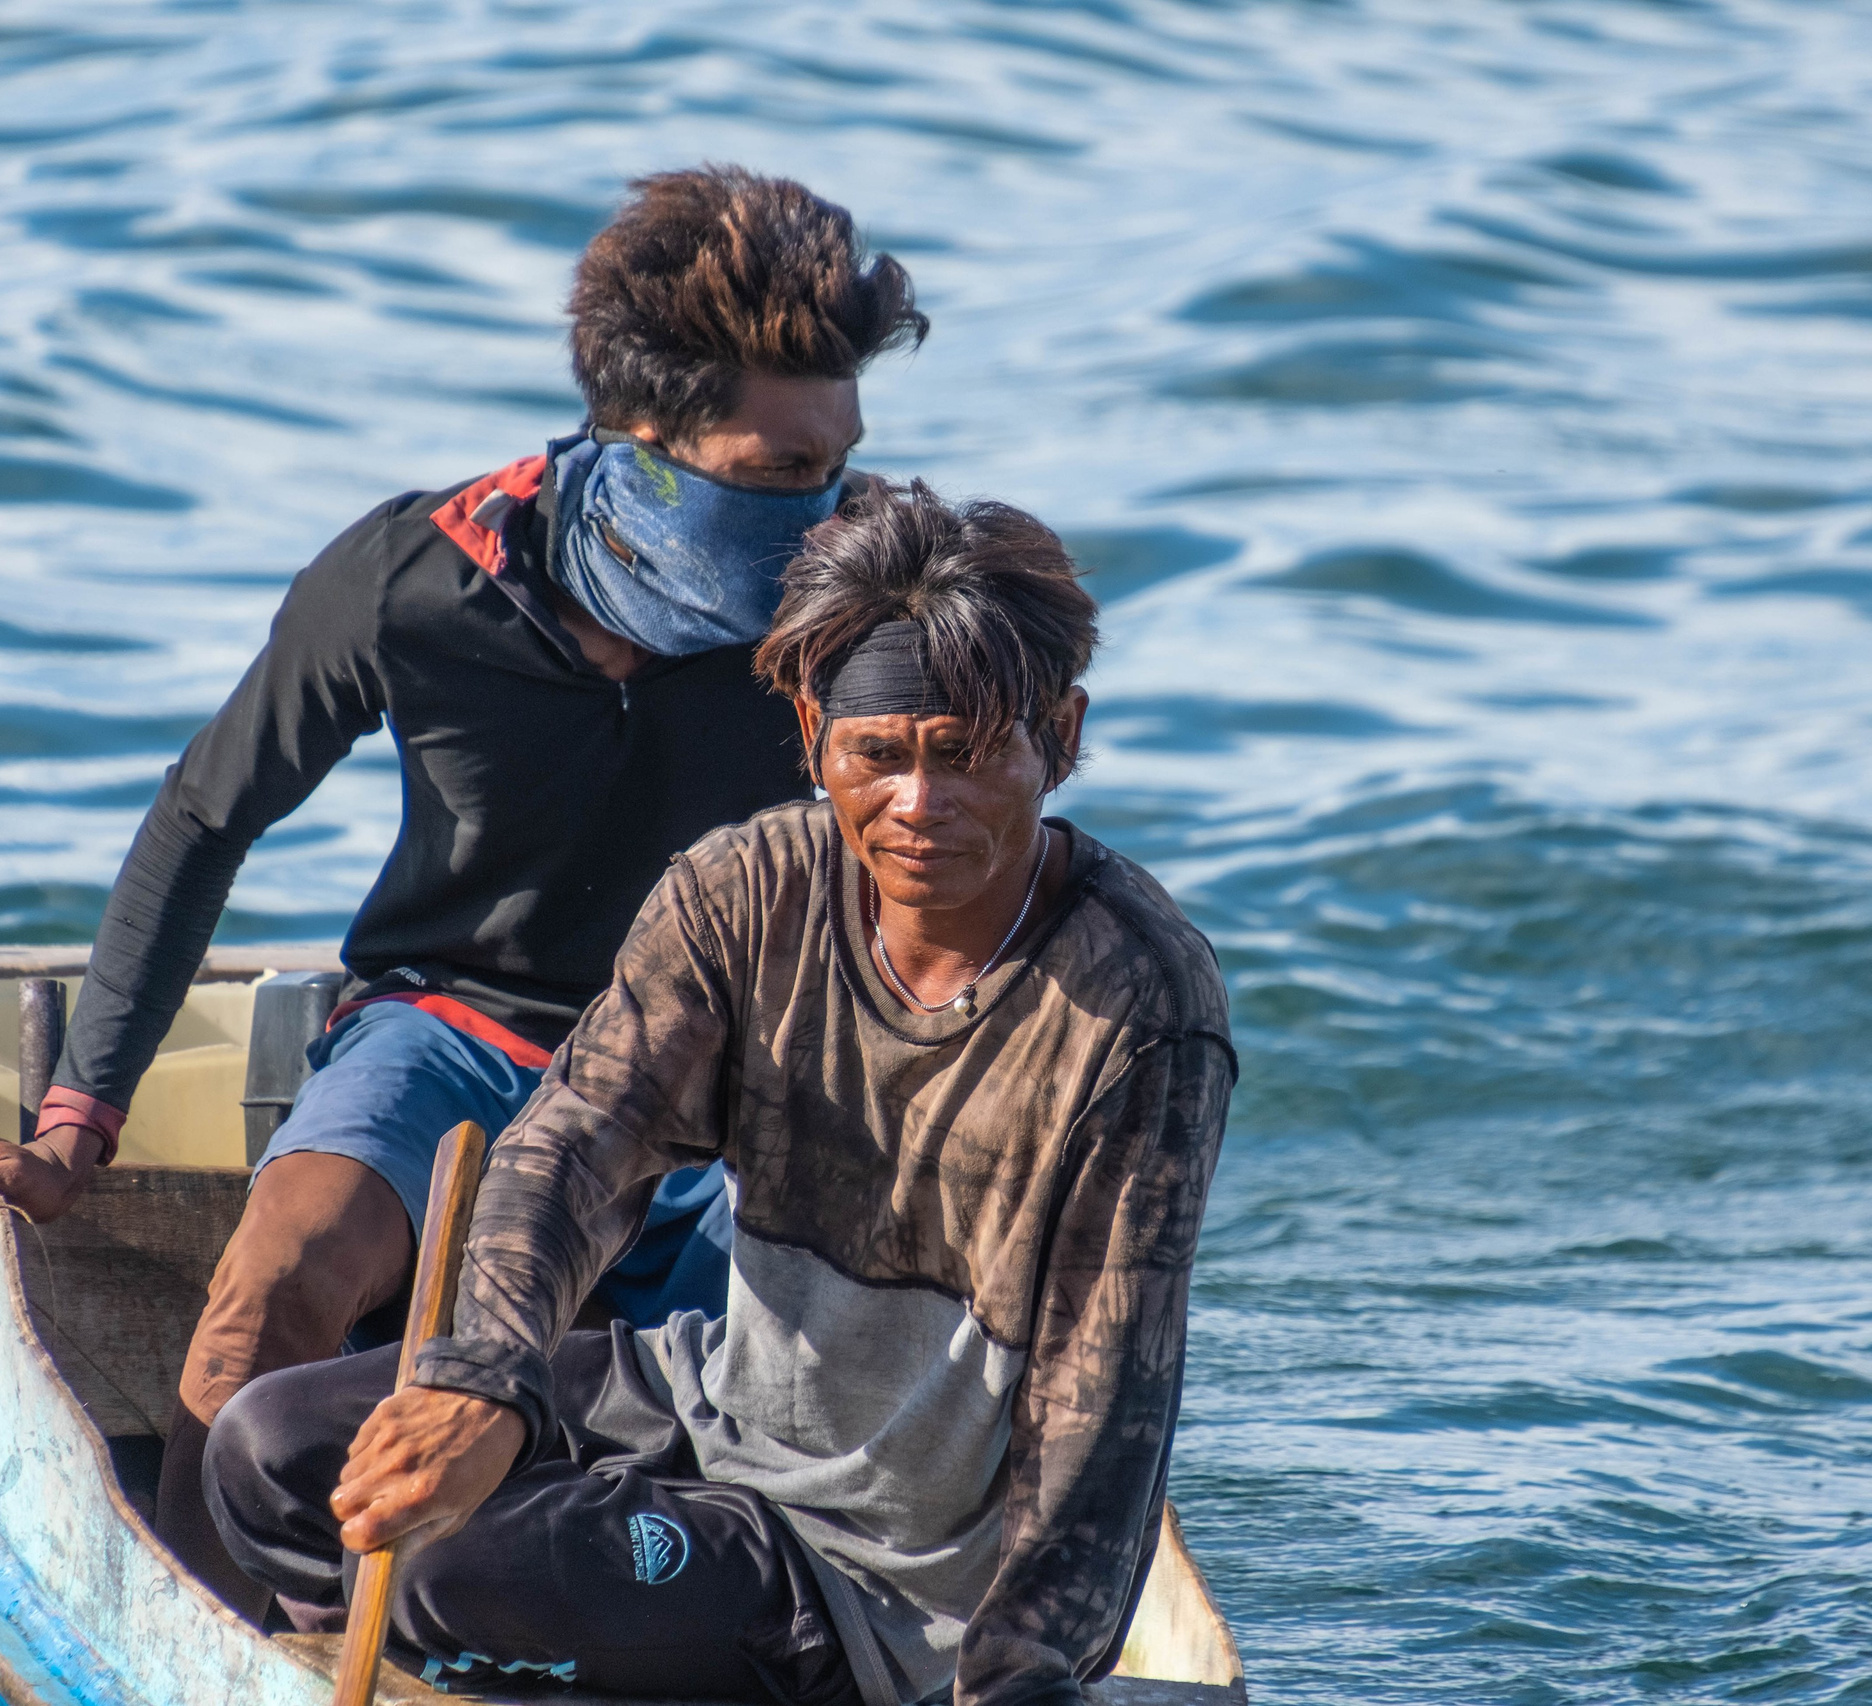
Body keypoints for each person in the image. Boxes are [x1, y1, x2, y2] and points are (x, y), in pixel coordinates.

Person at [0, 166, 929, 1610]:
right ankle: (209, 1634)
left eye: (840, 461)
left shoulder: (876, 587)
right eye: (772, 479)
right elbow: (203, 820)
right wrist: (73, 1131)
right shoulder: (416, 579)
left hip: (725, 1081)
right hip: (456, 1037)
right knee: (260, 1306)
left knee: (794, 1407)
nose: (823, 513)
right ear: (633, 447)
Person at [205, 484, 1237, 1706]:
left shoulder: (1140, 1003)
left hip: (877, 1580)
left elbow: (1103, 1396)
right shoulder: (740, 893)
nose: (918, 804)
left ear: (1057, 738)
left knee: (450, 1576)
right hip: (708, 1399)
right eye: (878, 755)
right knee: (266, 1451)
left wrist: (1014, 1677)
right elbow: (569, 1154)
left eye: (965, 754)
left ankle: (606, 1632)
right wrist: (483, 1376)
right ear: (812, 735)